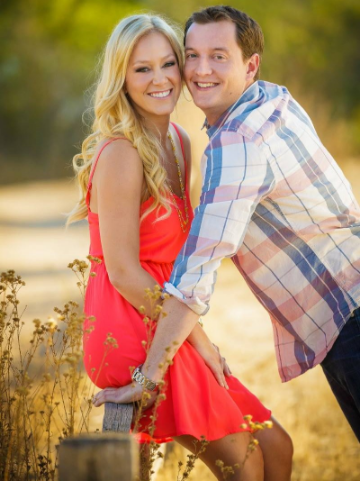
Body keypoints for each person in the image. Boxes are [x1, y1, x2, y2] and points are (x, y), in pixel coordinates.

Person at [97, 5, 360, 444]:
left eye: (219, 56)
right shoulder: (274, 100)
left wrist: (152, 375)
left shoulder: (234, 140)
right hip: (344, 309)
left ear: (250, 65)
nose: (200, 70)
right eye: (192, 55)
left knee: (273, 449)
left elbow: (198, 267)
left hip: (350, 318)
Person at [68, 13, 293, 481]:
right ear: (121, 79)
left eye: (169, 63)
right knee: (248, 467)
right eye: (141, 68)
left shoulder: (178, 140)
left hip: (167, 320)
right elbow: (126, 273)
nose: (160, 79)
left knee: (277, 446)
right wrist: (200, 340)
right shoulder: (121, 154)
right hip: (129, 328)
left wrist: (190, 332)